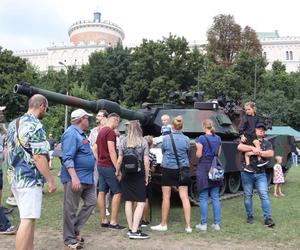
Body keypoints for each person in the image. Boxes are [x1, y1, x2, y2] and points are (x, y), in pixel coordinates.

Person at [6, 94, 57, 250]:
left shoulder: (13, 124)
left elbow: (7, 152)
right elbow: (39, 157)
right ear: (41, 105)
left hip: (15, 178)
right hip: (30, 179)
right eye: (46, 109)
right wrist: (50, 180)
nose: (46, 112)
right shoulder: (36, 126)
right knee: (27, 220)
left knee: (29, 218)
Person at [61, 108, 97, 250]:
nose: (89, 120)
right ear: (82, 119)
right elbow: (67, 158)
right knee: (70, 209)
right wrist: (74, 177)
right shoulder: (71, 134)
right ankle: (69, 240)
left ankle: (74, 229)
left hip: (87, 178)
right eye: (87, 118)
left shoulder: (80, 133)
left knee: (91, 203)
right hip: (75, 179)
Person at [151, 116, 192, 233]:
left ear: (172, 126)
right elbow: (187, 152)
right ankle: (188, 226)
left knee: (166, 197)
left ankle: (164, 224)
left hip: (168, 169)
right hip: (182, 169)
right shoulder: (186, 139)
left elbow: (163, 151)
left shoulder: (166, 138)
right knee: (184, 197)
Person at [116, 121, 150, 239]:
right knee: (140, 201)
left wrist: (117, 172)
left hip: (126, 174)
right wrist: (147, 175)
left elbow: (119, 160)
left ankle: (131, 228)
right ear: (139, 129)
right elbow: (146, 161)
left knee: (128, 201)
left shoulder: (123, 141)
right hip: (139, 174)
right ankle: (135, 231)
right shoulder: (143, 141)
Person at [238, 123, 275, 227]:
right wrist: (252, 148)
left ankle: (268, 218)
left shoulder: (267, 143)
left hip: (260, 173)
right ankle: (250, 216)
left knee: (264, 195)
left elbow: (270, 154)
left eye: (263, 129)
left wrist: (256, 152)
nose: (261, 131)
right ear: (254, 130)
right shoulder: (247, 139)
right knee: (247, 196)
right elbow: (240, 147)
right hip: (247, 173)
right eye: (259, 129)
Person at [94, 113, 125, 229]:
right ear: (115, 120)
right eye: (118, 123)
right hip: (108, 166)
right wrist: (117, 169)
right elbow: (112, 151)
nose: (118, 125)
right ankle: (113, 222)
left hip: (101, 165)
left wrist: (99, 160)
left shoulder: (101, 131)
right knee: (117, 192)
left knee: (102, 192)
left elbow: (95, 148)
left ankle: (104, 220)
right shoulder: (110, 132)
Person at [195, 119, 222, 231]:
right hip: (214, 167)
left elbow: (198, 155)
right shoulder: (218, 138)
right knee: (215, 197)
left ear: (204, 127)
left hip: (204, 167)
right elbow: (218, 154)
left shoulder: (201, 138)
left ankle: (204, 224)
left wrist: (197, 148)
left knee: (203, 197)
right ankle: (216, 224)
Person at [88, 110, 110, 216]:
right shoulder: (93, 131)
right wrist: (97, 158)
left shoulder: (110, 130)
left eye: (99, 116)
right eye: (97, 115)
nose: (97, 117)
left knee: (106, 184)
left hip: (106, 161)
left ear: (105, 118)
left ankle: (105, 207)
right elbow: (91, 145)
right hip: (95, 161)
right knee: (93, 183)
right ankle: (92, 206)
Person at [239, 101, 267, 170]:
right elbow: (241, 127)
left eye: (249, 109)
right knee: (253, 148)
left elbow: (260, 126)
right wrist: (242, 136)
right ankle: (249, 164)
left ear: (253, 109)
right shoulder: (245, 118)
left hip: (254, 136)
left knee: (257, 145)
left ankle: (259, 161)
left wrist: (262, 135)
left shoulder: (257, 118)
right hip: (247, 136)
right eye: (246, 110)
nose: (247, 111)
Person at [140, 135, 157, 228]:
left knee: (136, 199)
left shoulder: (138, 153)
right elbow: (153, 170)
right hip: (147, 178)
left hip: (138, 178)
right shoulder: (152, 156)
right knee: (145, 199)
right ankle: (144, 219)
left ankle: (136, 218)